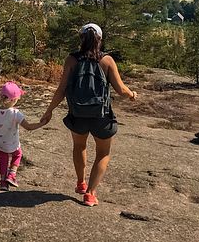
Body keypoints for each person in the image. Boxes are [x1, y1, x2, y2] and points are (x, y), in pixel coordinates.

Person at [39, 22, 137, 207]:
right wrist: (132, 94)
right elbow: (121, 89)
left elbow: (61, 89)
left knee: (79, 146)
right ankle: (90, 194)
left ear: (81, 39)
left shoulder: (71, 59)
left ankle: (80, 183)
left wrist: (49, 111)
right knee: (103, 153)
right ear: (99, 40)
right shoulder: (106, 60)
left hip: (77, 113)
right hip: (101, 115)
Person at [0, 81, 44, 191]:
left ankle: (3, 182)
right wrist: (41, 124)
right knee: (17, 154)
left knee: (3, 160)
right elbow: (28, 127)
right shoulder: (16, 113)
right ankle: (11, 175)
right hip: (12, 143)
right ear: (13, 100)